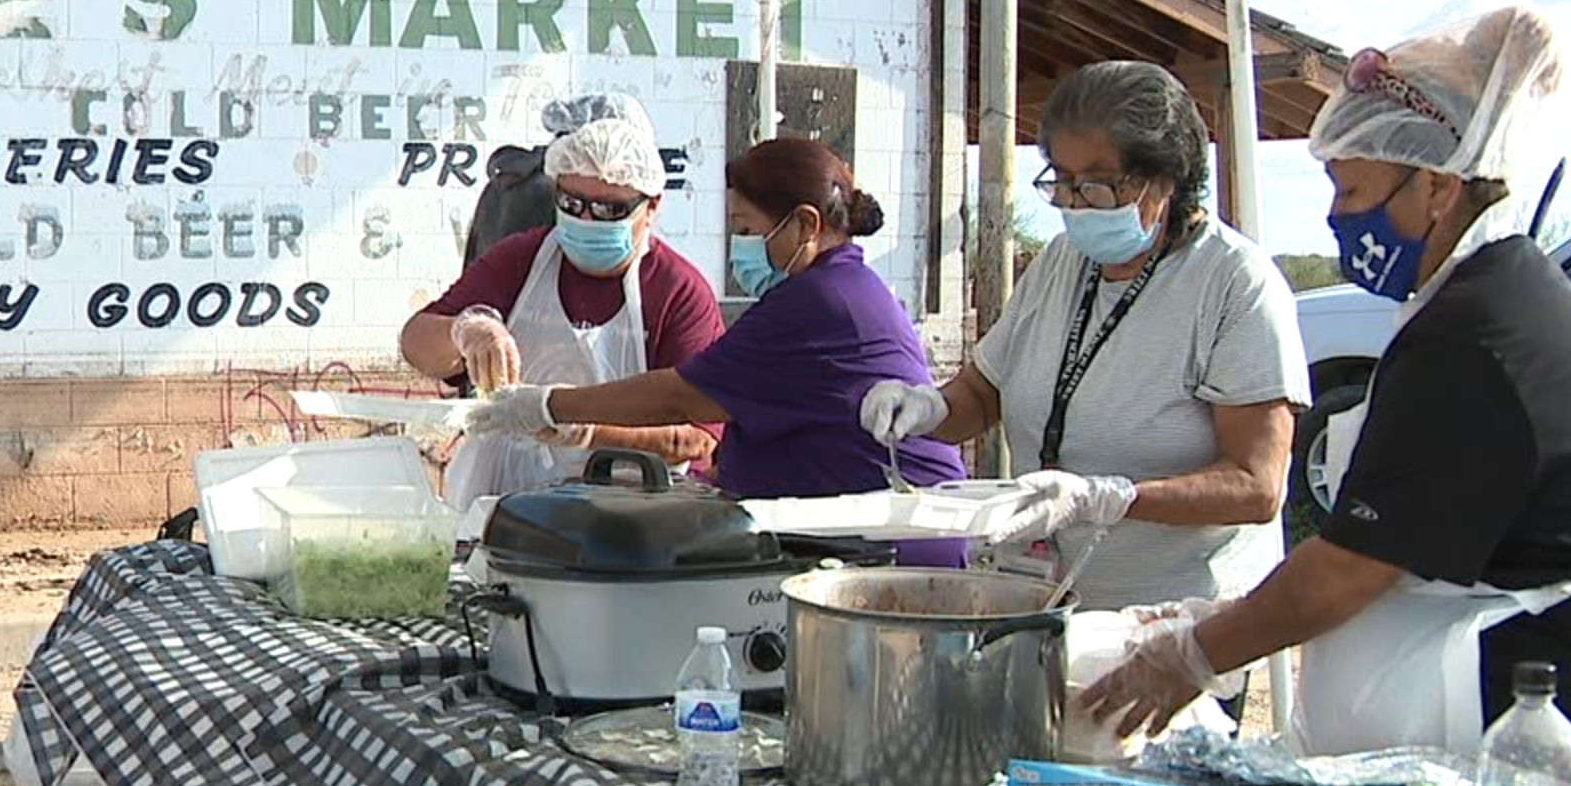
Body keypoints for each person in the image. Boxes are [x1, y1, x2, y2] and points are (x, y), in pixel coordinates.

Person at [1078, 7, 1571, 786]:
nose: (1339, 218)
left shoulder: (1482, 330)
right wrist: (1213, 619)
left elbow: (1348, 569)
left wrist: (1192, 656)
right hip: (1557, 697)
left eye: (1353, 190)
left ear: (1438, 187)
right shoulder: (1475, 297)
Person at [859, 61, 1308, 611]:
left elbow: (1256, 485)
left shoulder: (1234, 282)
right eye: (1062, 183)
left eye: (1096, 185)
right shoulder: (1063, 261)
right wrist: (925, 408)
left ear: (1164, 180)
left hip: (1178, 620)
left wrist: (1110, 499)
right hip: (1046, 602)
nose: (1074, 204)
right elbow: (982, 394)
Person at [465, 138, 968, 562]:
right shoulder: (842, 288)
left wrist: (549, 405)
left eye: (747, 230)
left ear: (806, 225)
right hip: (862, 531)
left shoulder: (819, 302)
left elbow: (681, 397)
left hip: (892, 543)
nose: (738, 247)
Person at [401, 105, 725, 501]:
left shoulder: (678, 292)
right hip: (502, 496)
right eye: (571, 204)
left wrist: (580, 429)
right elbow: (415, 342)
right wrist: (465, 331)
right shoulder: (520, 259)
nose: (586, 220)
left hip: (627, 506)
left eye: (609, 210)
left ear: (652, 207)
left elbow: (696, 438)